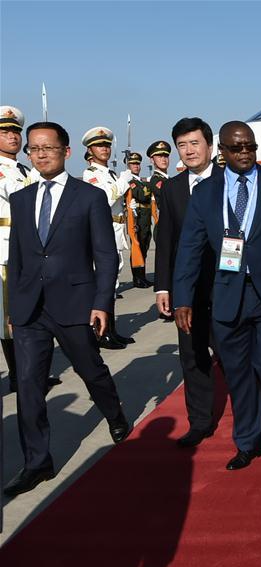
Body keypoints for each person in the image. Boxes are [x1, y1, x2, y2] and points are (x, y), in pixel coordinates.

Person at [2, 121, 130, 497]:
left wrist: (102, 303)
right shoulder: (21, 200)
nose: (40, 155)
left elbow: (105, 256)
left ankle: (115, 414)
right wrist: (13, 305)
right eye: (33, 149)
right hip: (30, 310)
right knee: (27, 386)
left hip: (75, 304)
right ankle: (37, 462)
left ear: (66, 152)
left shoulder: (87, 197)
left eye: (48, 148)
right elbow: (18, 257)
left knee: (91, 369)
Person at [173, 122, 261, 470]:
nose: (244, 154)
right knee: (238, 374)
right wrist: (183, 297)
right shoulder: (206, 193)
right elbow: (189, 249)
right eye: (236, 148)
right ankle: (248, 441)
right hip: (226, 297)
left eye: (250, 147)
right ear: (222, 151)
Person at [155, 117, 224, 447]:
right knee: (193, 358)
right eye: (182, 145)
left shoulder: (231, 180)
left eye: (195, 143)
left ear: (210, 145)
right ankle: (199, 422)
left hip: (228, 288)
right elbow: (165, 240)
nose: (189, 151)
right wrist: (163, 287)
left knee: (238, 358)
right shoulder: (171, 189)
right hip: (188, 293)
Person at [0, 106, 61, 393]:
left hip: (36, 248)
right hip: (5, 250)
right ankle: (18, 375)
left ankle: (33, 370)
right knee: (10, 317)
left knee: (38, 309)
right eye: (4, 132)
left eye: (15, 131)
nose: (12, 136)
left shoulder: (26, 168)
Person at [82, 126, 135, 349]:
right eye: (99, 145)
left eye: (106, 145)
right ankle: (101, 332)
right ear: (90, 150)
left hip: (117, 229)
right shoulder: (90, 175)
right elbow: (106, 197)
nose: (104, 148)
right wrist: (124, 181)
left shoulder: (110, 174)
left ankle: (111, 330)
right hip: (103, 230)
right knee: (104, 283)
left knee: (112, 283)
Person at [124, 152, 154, 288]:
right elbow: (142, 195)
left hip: (146, 217)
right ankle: (137, 278)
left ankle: (142, 276)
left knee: (144, 247)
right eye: (133, 164)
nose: (136, 166)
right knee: (137, 248)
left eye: (137, 164)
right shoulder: (131, 182)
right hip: (138, 218)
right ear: (128, 165)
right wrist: (149, 188)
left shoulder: (140, 181)